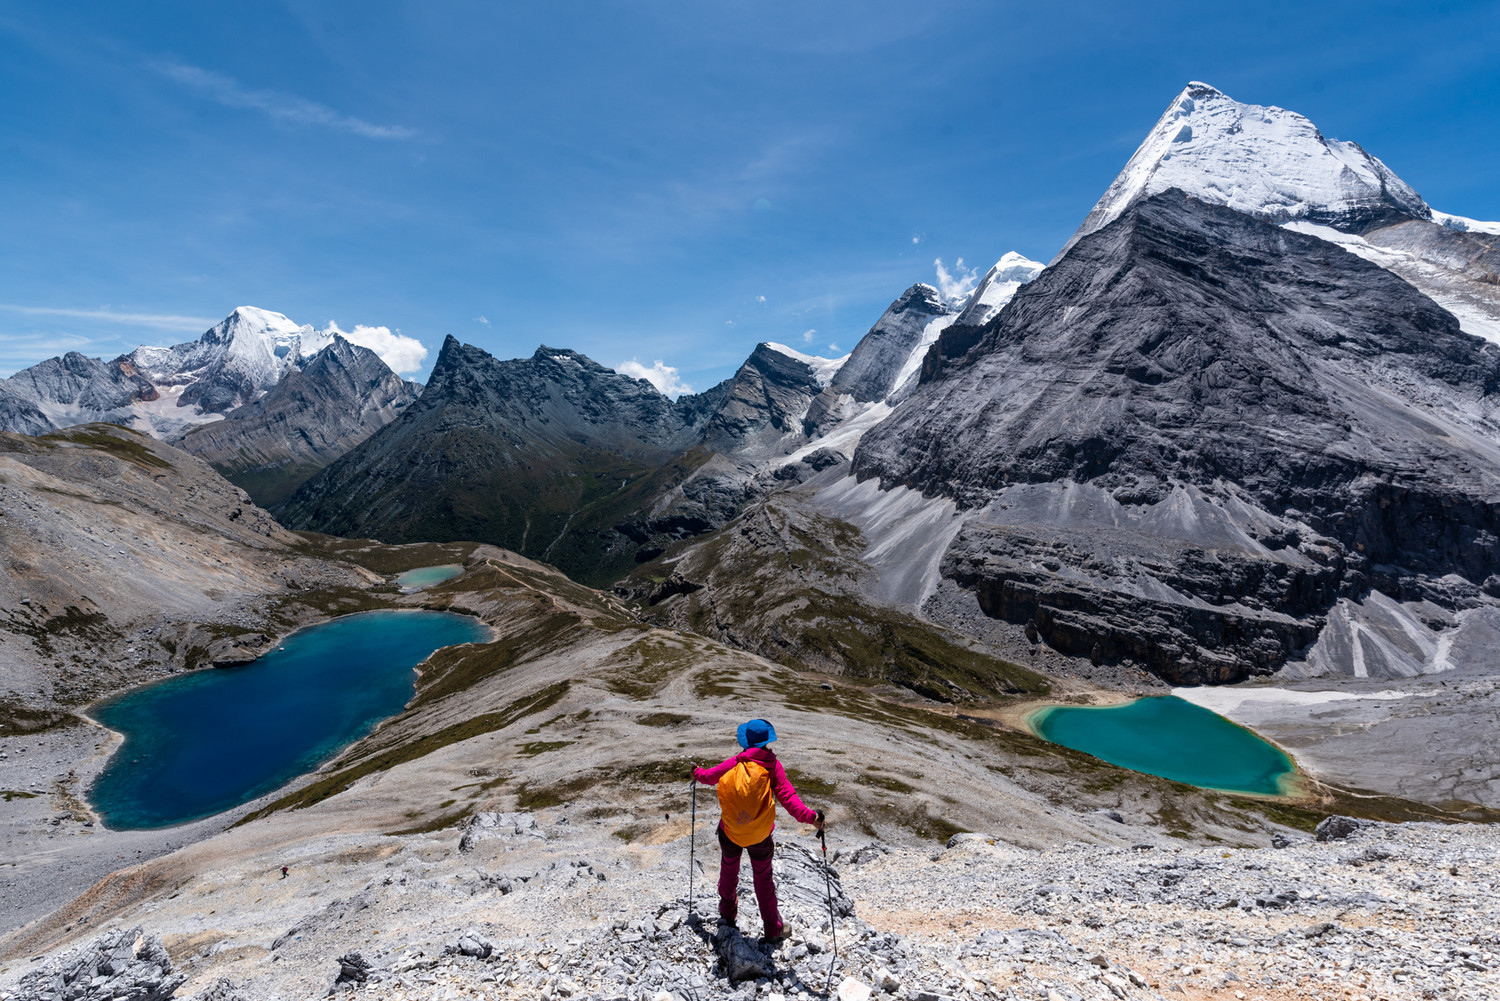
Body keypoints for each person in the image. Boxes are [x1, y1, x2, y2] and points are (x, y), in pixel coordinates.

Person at [693, 718, 824, 942]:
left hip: (731, 831)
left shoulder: (736, 761)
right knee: (763, 879)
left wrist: (696, 772)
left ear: (746, 741)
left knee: (728, 871)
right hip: (760, 835)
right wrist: (812, 818)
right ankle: (773, 929)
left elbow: (709, 777)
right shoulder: (772, 764)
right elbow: (789, 799)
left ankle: (727, 915)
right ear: (767, 741)